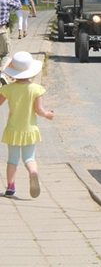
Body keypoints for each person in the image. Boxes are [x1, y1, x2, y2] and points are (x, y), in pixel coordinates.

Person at [1, 51, 55, 198]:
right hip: (30, 130)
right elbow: (39, 110)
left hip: (13, 130)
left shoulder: (7, 89)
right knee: (29, 158)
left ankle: (11, 187)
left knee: (12, 160)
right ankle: (33, 173)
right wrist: (48, 115)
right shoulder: (36, 89)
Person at [0, 0, 21, 72]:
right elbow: (18, 6)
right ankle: (2, 74)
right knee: (5, 54)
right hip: (2, 30)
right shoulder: (6, 0)